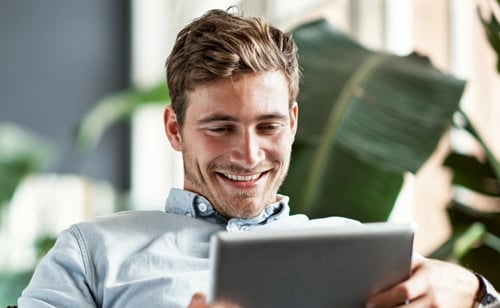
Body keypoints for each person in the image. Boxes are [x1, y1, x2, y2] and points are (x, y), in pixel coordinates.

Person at [19, 8, 499, 308]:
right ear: (174, 129)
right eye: (220, 127)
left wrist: (477, 293)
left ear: (292, 123)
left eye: (268, 126)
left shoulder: (358, 249)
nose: (248, 155)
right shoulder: (94, 252)